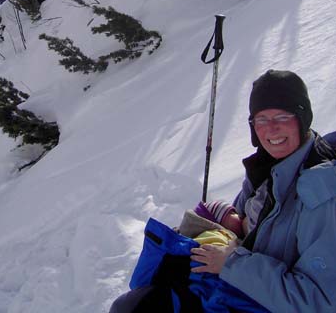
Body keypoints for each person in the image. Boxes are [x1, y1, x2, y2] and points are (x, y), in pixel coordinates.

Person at [109, 69, 336, 313]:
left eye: (282, 117)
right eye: (261, 119)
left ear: (302, 118)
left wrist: (233, 263)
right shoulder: (269, 168)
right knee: (139, 299)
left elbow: (319, 303)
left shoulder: (321, 195)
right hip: (245, 287)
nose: (271, 129)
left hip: (267, 301)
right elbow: (243, 228)